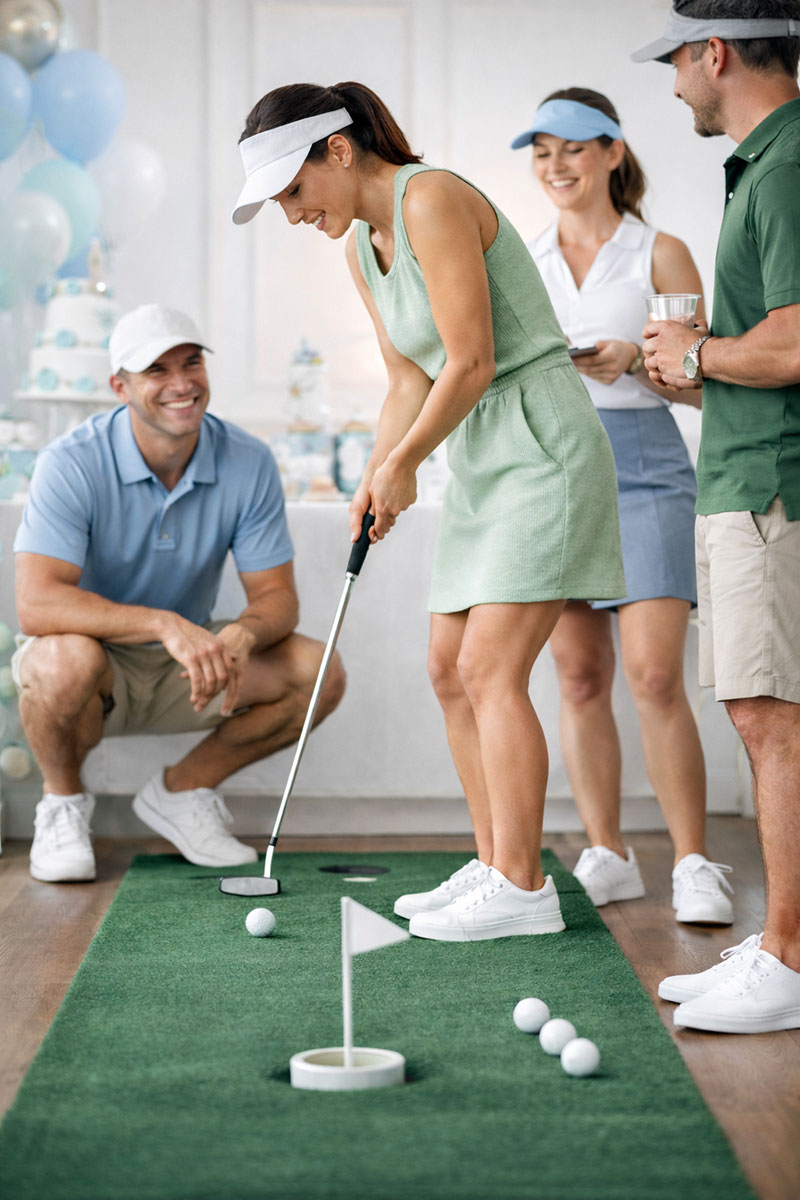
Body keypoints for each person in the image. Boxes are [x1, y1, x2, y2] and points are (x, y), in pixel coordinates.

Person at [232, 81, 625, 942]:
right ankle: (495, 864)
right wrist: (379, 474)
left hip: (541, 441)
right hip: (483, 458)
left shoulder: (432, 196)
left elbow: (475, 359)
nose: (291, 214)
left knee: (490, 669)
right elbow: (411, 377)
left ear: (337, 149)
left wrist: (407, 463)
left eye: (293, 191)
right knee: (448, 668)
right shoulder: (359, 248)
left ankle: (523, 887)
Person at [12, 303, 345, 883]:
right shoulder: (69, 462)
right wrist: (166, 624)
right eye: (156, 372)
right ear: (120, 387)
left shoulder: (248, 460)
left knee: (320, 671)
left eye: (191, 364)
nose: (182, 384)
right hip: (95, 666)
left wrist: (242, 633)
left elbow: (277, 599)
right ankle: (62, 804)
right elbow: (37, 604)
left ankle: (183, 792)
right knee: (60, 658)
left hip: (189, 667)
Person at [514, 88, 734, 925]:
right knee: (578, 677)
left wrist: (631, 364)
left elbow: (704, 380)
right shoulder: (523, 259)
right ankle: (607, 852)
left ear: (612, 151)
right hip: (558, 472)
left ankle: (693, 862)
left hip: (646, 469)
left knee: (652, 677)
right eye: (540, 151)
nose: (555, 165)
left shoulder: (660, 252)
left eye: (571, 148)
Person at [633, 0, 800, 1032]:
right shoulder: (763, 164)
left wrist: (693, 357)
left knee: (768, 719)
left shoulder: (781, 166)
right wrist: (692, 374)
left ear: (713, 52)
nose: (675, 85)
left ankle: (784, 958)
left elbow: (790, 346)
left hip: (768, 490)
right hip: (746, 478)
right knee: (764, 715)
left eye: (677, 65)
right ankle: (781, 942)